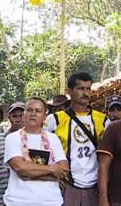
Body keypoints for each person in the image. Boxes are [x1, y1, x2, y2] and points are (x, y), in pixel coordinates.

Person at [45, 71, 107, 206]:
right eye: (80, 88)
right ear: (70, 91)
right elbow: (42, 149)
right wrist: (51, 174)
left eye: (88, 89)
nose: (85, 93)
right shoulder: (54, 120)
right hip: (66, 184)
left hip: (94, 186)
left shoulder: (102, 120)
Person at [3, 97, 69, 206]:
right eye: (29, 110)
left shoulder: (53, 138)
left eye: (38, 111)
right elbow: (20, 167)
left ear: (44, 116)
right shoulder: (13, 138)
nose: (33, 114)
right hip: (18, 202)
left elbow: (64, 169)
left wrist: (29, 173)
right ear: (24, 114)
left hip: (51, 202)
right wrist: (51, 169)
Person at [0, 101, 26, 206]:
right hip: (3, 196)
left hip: (27, 196)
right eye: (15, 116)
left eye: (21, 115)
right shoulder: (0, 139)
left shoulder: (36, 138)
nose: (18, 119)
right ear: (9, 118)